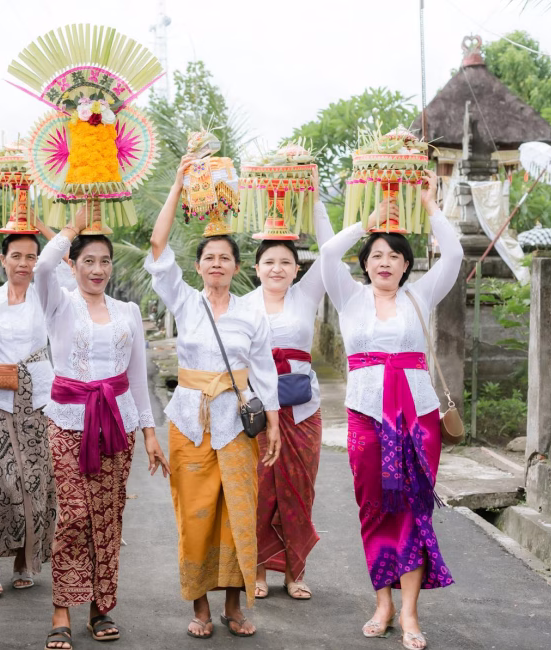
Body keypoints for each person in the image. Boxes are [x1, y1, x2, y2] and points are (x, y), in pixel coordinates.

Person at [320, 170, 460, 650]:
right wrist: (368, 222)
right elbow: (325, 254)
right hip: (366, 415)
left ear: (406, 265)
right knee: (375, 507)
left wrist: (429, 204)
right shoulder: (349, 297)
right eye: (377, 255)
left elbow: (455, 253)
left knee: (415, 508)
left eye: (394, 256)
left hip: (417, 417)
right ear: (365, 264)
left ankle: (410, 613)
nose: (385, 262)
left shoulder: (420, 296)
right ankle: (381, 602)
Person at [145, 156, 281, 640]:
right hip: (188, 420)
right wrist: (179, 184)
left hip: (236, 424)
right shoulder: (185, 300)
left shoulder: (251, 314)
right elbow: (158, 246)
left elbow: (263, 373)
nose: (217, 264)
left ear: (237, 267)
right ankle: (199, 607)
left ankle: (234, 607)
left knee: (237, 516)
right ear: (199, 265)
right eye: (209, 257)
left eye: (225, 257)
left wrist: (277, 428)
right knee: (195, 515)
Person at [36, 206, 169, 650]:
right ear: (73, 265)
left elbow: (135, 379)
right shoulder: (57, 301)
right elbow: (40, 265)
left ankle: (100, 605)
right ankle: (62, 608)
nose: (98, 269)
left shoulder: (128, 311)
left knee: (109, 517)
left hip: (117, 423)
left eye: (104, 261)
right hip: (69, 420)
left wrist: (150, 434)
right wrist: (72, 226)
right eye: (88, 260)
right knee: (73, 514)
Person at [248, 168, 333, 601]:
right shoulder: (243, 306)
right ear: (256, 267)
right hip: (260, 411)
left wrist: (314, 198)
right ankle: (260, 570)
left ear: (297, 268)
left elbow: (332, 250)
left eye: (285, 262)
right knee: (261, 490)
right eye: (269, 262)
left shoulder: (307, 295)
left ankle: (295, 570)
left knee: (299, 489)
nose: (277, 268)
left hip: (303, 410)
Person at [0, 232, 57, 596]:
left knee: (38, 479)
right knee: (7, 480)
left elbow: (60, 263)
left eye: (30, 257)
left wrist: (45, 230)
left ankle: (24, 558)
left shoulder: (46, 297)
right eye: (15, 255)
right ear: (2, 259)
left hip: (40, 399)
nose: (23, 263)